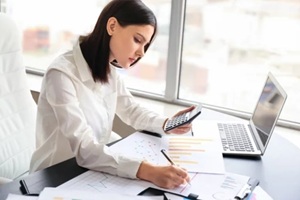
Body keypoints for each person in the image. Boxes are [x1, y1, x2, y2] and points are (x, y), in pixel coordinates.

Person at [30, 0, 195, 189]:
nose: (141, 52)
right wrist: (147, 171)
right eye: (137, 40)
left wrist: (167, 124)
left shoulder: (108, 69)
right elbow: (84, 148)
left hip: (91, 171)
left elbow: (131, 110)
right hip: (54, 178)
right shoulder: (61, 74)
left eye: (145, 45)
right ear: (112, 26)